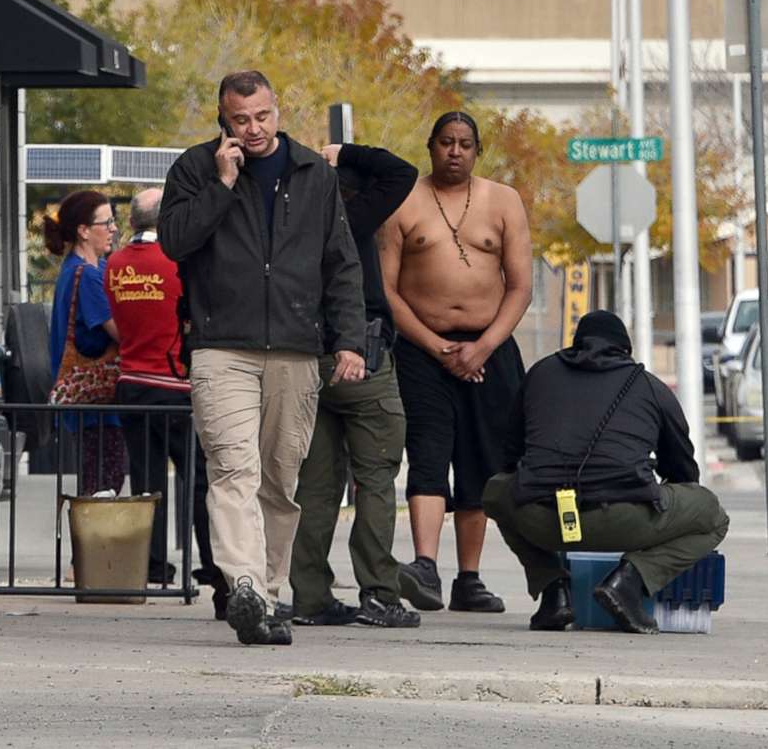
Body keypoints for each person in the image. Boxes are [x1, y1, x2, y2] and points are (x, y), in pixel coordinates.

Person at [159, 70, 367, 647]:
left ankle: (268, 597)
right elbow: (174, 241)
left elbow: (341, 262)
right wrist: (222, 185)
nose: (253, 129)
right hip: (221, 346)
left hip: (296, 349)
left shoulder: (313, 174)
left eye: (262, 116)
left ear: (278, 111)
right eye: (240, 120)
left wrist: (349, 339)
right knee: (233, 471)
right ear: (223, 120)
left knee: (278, 482)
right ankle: (245, 585)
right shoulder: (196, 170)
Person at [481, 308, 730, 634]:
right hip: (624, 521)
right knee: (713, 515)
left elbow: (509, 458)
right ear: (625, 349)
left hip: (544, 518)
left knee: (495, 490)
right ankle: (629, 582)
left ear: (577, 343)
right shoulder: (648, 385)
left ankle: (554, 590)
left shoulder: (539, 374)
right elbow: (683, 471)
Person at [382, 110, 533, 613]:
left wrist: (484, 346)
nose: (454, 151)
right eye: (445, 142)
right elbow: (386, 288)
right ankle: (425, 566)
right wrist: (434, 346)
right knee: (427, 452)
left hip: (489, 350)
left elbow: (521, 285)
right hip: (423, 350)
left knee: (480, 462)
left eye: (465, 143)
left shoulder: (503, 201)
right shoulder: (405, 198)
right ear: (430, 146)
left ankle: (468, 578)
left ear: (476, 150)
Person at [289, 140, 424, 629]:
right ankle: (379, 594)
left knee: (316, 486)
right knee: (375, 481)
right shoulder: (350, 216)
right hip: (362, 358)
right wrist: (344, 152)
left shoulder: (288, 223)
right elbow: (401, 170)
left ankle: (309, 596)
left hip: (307, 362)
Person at [105, 187, 214, 593]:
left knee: (146, 479)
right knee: (200, 477)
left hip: (132, 382)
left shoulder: (114, 265)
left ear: (132, 221)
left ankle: (153, 565)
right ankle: (212, 561)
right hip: (175, 383)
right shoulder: (177, 262)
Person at [43, 187, 128, 494]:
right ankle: (98, 544)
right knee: (104, 486)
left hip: (88, 405)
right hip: (97, 407)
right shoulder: (88, 276)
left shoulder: (79, 270)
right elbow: (121, 333)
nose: (114, 229)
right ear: (83, 231)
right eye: (106, 223)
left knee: (97, 484)